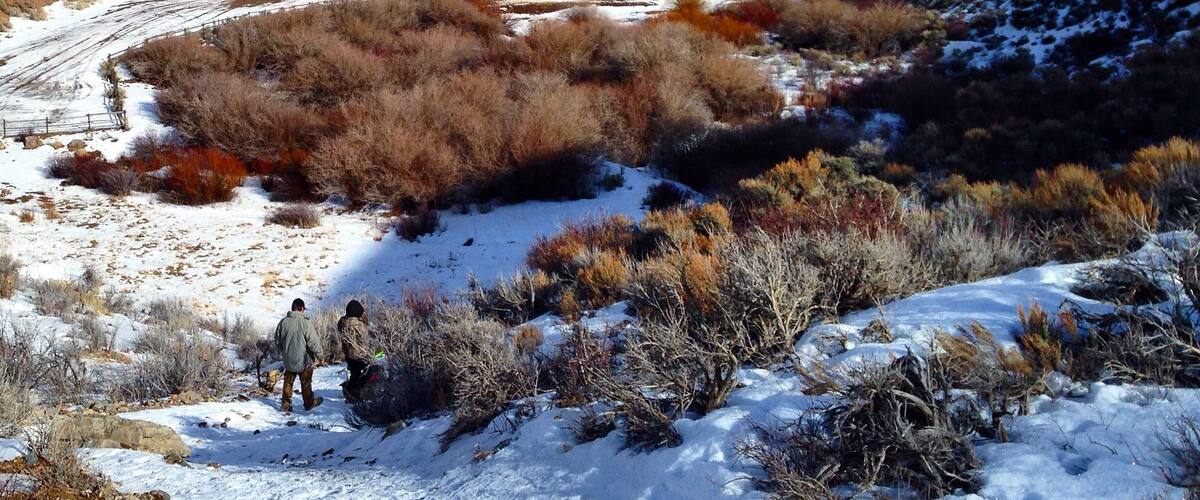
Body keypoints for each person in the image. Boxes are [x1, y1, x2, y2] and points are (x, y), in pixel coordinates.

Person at [274, 298, 324, 412]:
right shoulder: (305, 322)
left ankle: (286, 404)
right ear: (301, 308)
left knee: (288, 381)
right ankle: (309, 403)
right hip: (304, 360)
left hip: (289, 359)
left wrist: (284, 351)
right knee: (306, 382)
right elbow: (313, 341)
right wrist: (320, 355)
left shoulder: (283, 322)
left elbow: (277, 340)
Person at [338, 299, 371, 402]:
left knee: (355, 373)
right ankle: (359, 392)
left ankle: (350, 390)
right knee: (369, 370)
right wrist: (376, 353)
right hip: (360, 354)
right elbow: (365, 342)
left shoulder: (342, 321)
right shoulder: (359, 326)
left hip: (348, 354)